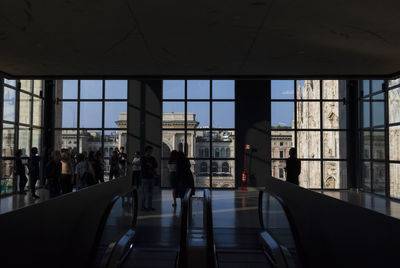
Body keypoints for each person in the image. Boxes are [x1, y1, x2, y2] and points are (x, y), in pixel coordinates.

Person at [140, 146, 158, 211]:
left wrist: (150, 165)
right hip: (145, 177)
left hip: (151, 177)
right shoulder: (143, 158)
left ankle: (149, 206)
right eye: (149, 151)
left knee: (150, 193)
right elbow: (143, 167)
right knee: (144, 193)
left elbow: (156, 165)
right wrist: (150, 165)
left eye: (151, 151)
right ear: (146, 151)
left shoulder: (152, 158)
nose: (150, 152)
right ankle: (143, 207)